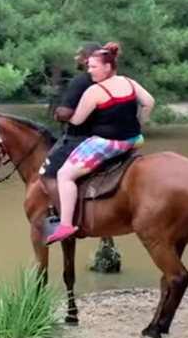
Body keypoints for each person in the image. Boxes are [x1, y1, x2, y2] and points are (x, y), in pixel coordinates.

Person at [45, 42, 155, 245]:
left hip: (108, 144)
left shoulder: (95, 91)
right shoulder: (129, 82)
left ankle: (66, 224)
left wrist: (63, 114)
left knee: (64, 174)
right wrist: (139, 122)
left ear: (107, 67)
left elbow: (76, 120)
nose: (89, 71)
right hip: (133, 140)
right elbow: (149, 102)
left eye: (93, 67)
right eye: (88, 67)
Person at [39, 42, 103, 208]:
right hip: (114, 138)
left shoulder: (81, 81)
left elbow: (65, 112)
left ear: (87, 59)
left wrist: (58, 114)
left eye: (79, 55)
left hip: (81, 138)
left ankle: (64, 218)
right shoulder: (113, 80)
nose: (76, 58)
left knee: (47, 174)